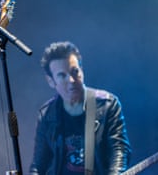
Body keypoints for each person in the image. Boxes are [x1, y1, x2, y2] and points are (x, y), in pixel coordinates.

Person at [29, 41, 131, 175]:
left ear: (82, 71)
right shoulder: (47, 114)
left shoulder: (107, 105)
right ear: (51, 81)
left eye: (74, 72)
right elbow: (39, 164)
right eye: (62, 75)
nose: (71, 80)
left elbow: (119, 150)